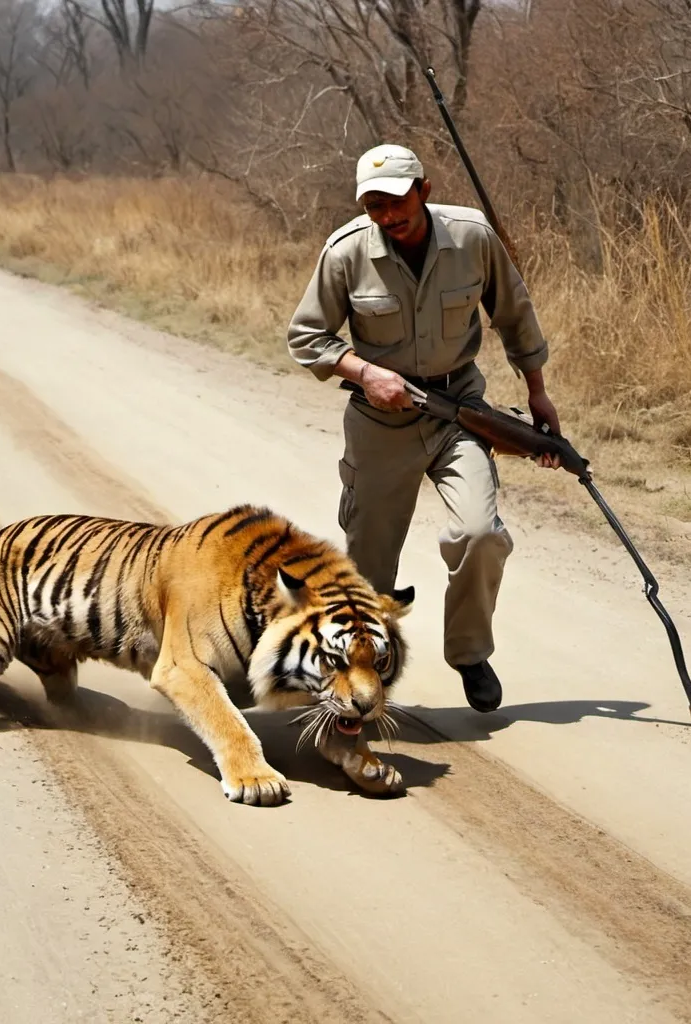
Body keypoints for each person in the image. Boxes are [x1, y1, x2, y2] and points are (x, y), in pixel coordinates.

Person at [285, 143, 563, 713]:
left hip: (458, 408)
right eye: (374, 205)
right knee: (367, 573)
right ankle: (360, 681)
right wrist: (364, 373)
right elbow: (306, 337)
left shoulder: (472, 237)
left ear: (425, 190)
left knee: (480, 533)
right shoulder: (345, 252)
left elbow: (514, 313)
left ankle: (468, 653)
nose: (387, 216)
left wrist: (537, 392)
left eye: (395, 202)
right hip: (379, 423)